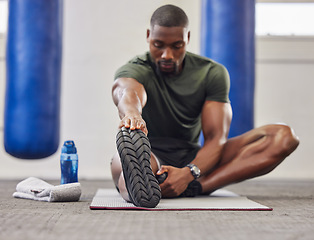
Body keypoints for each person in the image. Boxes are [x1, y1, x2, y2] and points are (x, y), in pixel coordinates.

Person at [111, 4, 299, 203]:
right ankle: (138, 186)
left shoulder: (210, 73)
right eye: (159, 45)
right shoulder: (136, 68)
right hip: (150, 150)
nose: (167, 55)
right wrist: (132, 114)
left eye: (176, 46)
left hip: (193, 155)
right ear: (149, 36)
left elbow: (216, 139)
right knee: (136, 165)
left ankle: (196, 186)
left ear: (187, 39)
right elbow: (127, 91)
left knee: (283, 136)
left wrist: (188, 173)